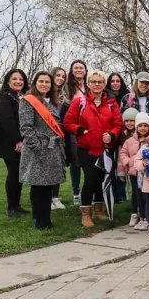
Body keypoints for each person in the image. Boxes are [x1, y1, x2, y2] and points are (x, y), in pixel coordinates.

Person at [63, 69, 123, 228]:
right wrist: (81, 130)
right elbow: (68, 123)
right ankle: (86, 213)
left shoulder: (111, 103)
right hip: (86, 149)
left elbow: (118, 125)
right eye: (93, 82)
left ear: (104, 84)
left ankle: (98, 209)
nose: (97, 84)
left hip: (105, 149)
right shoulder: (79, 102)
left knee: (101, 180)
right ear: (88, 84)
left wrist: (111, 135)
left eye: (100, 82)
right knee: (90, 179)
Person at [18, 71, 67, 230]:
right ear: (35, 82)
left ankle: (41, 217)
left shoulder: (50, 101)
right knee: (40, 187)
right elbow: (26, 127)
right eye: (41, 81)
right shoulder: (28, 101)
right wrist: (37, 146)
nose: (44, 84)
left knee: (46, 186)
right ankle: (42, 221)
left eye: (47, 82)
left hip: (51, 149)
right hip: (38, 150)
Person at [0, 69, 30, 218]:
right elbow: (7, 120)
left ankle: (17, 205)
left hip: (19, 140)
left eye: (21, 79)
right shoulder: (2, 97)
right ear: (8, 81)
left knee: (19, 174)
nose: (18, 81)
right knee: (14, 173)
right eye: (14, 79)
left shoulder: (18, 96)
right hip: (9, 142)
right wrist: (17, 141)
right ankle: (11, 207)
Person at [64, 60, 88, 205]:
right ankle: (76, 192)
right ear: (72, 71)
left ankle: (89, 190)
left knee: (89, 160)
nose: (79, 70)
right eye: (76, 68)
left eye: (81, 68)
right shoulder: (68, 87)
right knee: (75, 161)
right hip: (74, 128)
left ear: (85, 71)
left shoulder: (90, 86)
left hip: (88, 126)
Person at [119, 111, 149, 229]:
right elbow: (123, 154)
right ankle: (138, 216)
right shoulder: (129, 141)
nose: (142, 128)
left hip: (148, 173)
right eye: (140, 126)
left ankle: (147, 216)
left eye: (145, 125)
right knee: (137, 195)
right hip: (134, 173)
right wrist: (128, 162)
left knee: (147, 195)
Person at [50, 66, 68, 210]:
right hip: (45, 135)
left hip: (59, 135)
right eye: (58, 75)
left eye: (63, 76)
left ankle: (55, 197)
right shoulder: (45, 94)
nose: (61, 78)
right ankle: (46, 198)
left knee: (57, 166)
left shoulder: (63, 96)